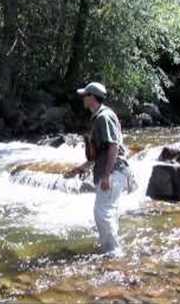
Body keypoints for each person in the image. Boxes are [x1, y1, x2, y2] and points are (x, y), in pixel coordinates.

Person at [65, 82, 129, 257]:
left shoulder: (103, 117)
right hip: (114, 170)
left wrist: (107, 175)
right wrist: (80, 168)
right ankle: (112, 250)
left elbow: (114, 147)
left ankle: (113, 253)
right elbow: (97, 155)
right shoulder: (100, 116)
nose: (83, 99)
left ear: (92, 97)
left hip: (113, 171)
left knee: (102, 213)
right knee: (109, 211)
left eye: (85, 95)